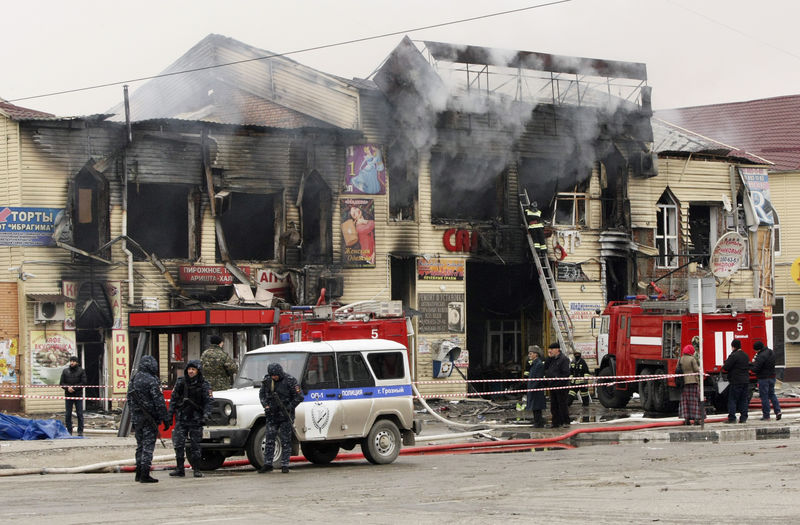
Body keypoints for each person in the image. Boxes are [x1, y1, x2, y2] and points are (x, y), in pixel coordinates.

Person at [126, 355, 169, 483]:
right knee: (148, 447)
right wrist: (165, 418)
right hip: (149, 419)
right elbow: (159, 401)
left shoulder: (133, 379)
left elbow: (129, 399)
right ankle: (145, 473)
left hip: (137, 419)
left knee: (140, 446)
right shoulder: (152, 380)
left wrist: (134, 415)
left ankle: (138, 473)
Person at [167, 360, 212, 478]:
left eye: (193, 369)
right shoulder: (181, 383)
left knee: (195, 445)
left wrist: (206, 415)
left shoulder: (204, 384)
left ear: (198, 371)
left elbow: (209, 401)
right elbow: (174, 400)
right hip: (182, 418)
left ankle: (196, 469)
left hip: (196, 419)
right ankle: (180, 468)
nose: (191, 371)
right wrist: (169, 416)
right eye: (189, 369)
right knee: (178, 444)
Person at [258, 363, 304, 473]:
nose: (274, 377)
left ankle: (285, 464)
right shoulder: (267, 381)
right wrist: (266, 406)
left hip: (285, 416)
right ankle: (268, 463)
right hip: (272, 415)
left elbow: (299, 397)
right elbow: (262, 395)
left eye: (275, 375)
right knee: (269, 439)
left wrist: (289, 407)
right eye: (272, 375)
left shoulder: (290, 380)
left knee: (285, 440)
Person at [721, 339, 751, 424]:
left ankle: (732, 418)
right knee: (743, 399)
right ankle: (743, 418)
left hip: (736, 381)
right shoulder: (745, 355)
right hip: (745, 380)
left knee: (732, 399)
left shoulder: (734, 356)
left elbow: (726, 367)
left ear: (733, 346)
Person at [750, 341, 781, 421]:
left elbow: (756, 369)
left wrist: (750, 367)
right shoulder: (771, 352)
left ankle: (766, 416)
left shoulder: (761, 356)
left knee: (764, 397)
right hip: (772, 377)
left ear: (758, 349)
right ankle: (778, 411)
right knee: (772, 394)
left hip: (763, 378)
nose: (755, 352)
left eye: (755, 350)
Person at [543, 342, 571, 428]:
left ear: (557, 349)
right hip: (552, 386)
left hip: (561, 386)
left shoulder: (563, 359)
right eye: (549, 349)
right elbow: (546, 367)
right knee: (553, 405)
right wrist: (549, 357)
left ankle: (565, 421)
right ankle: (555, 422)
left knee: (562, 404)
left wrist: (557, 379)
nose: (550, 351)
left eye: (552, 349)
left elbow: (566, 373)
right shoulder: (551, 359)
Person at [59, 355, 87, 436]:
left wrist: (74, 388)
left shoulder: (81, 371)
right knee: (68, 414)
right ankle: (69, 430)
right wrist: (67, 388)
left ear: (77, 362)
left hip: (78, 395)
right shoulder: (65, 371)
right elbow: (61, 383)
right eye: (71, 361)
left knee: (79, 413)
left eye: (73, 361)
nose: (72, 363)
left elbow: (83, 382)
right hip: (68, 395)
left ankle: (80, 431)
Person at [678, 344, 703, 425]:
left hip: (684, 382)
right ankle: (696, 419)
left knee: (686, 401)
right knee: (695, 401)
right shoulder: (692, 359)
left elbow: (677, 369)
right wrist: (700, 369)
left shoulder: (680, 359)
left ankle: (686, 419)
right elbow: (696, 369)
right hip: (693, 382)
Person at [525, 346, 546, 428]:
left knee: (537, 406)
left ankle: (539, 423)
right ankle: (537, 422)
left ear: (536, 354)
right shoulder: (534, 363)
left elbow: (538, 378)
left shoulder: (539, 364)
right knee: (534, 406)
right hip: (533, 388)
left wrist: (533, 387)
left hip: (536, 389)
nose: (529, 355)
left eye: (531, 354)